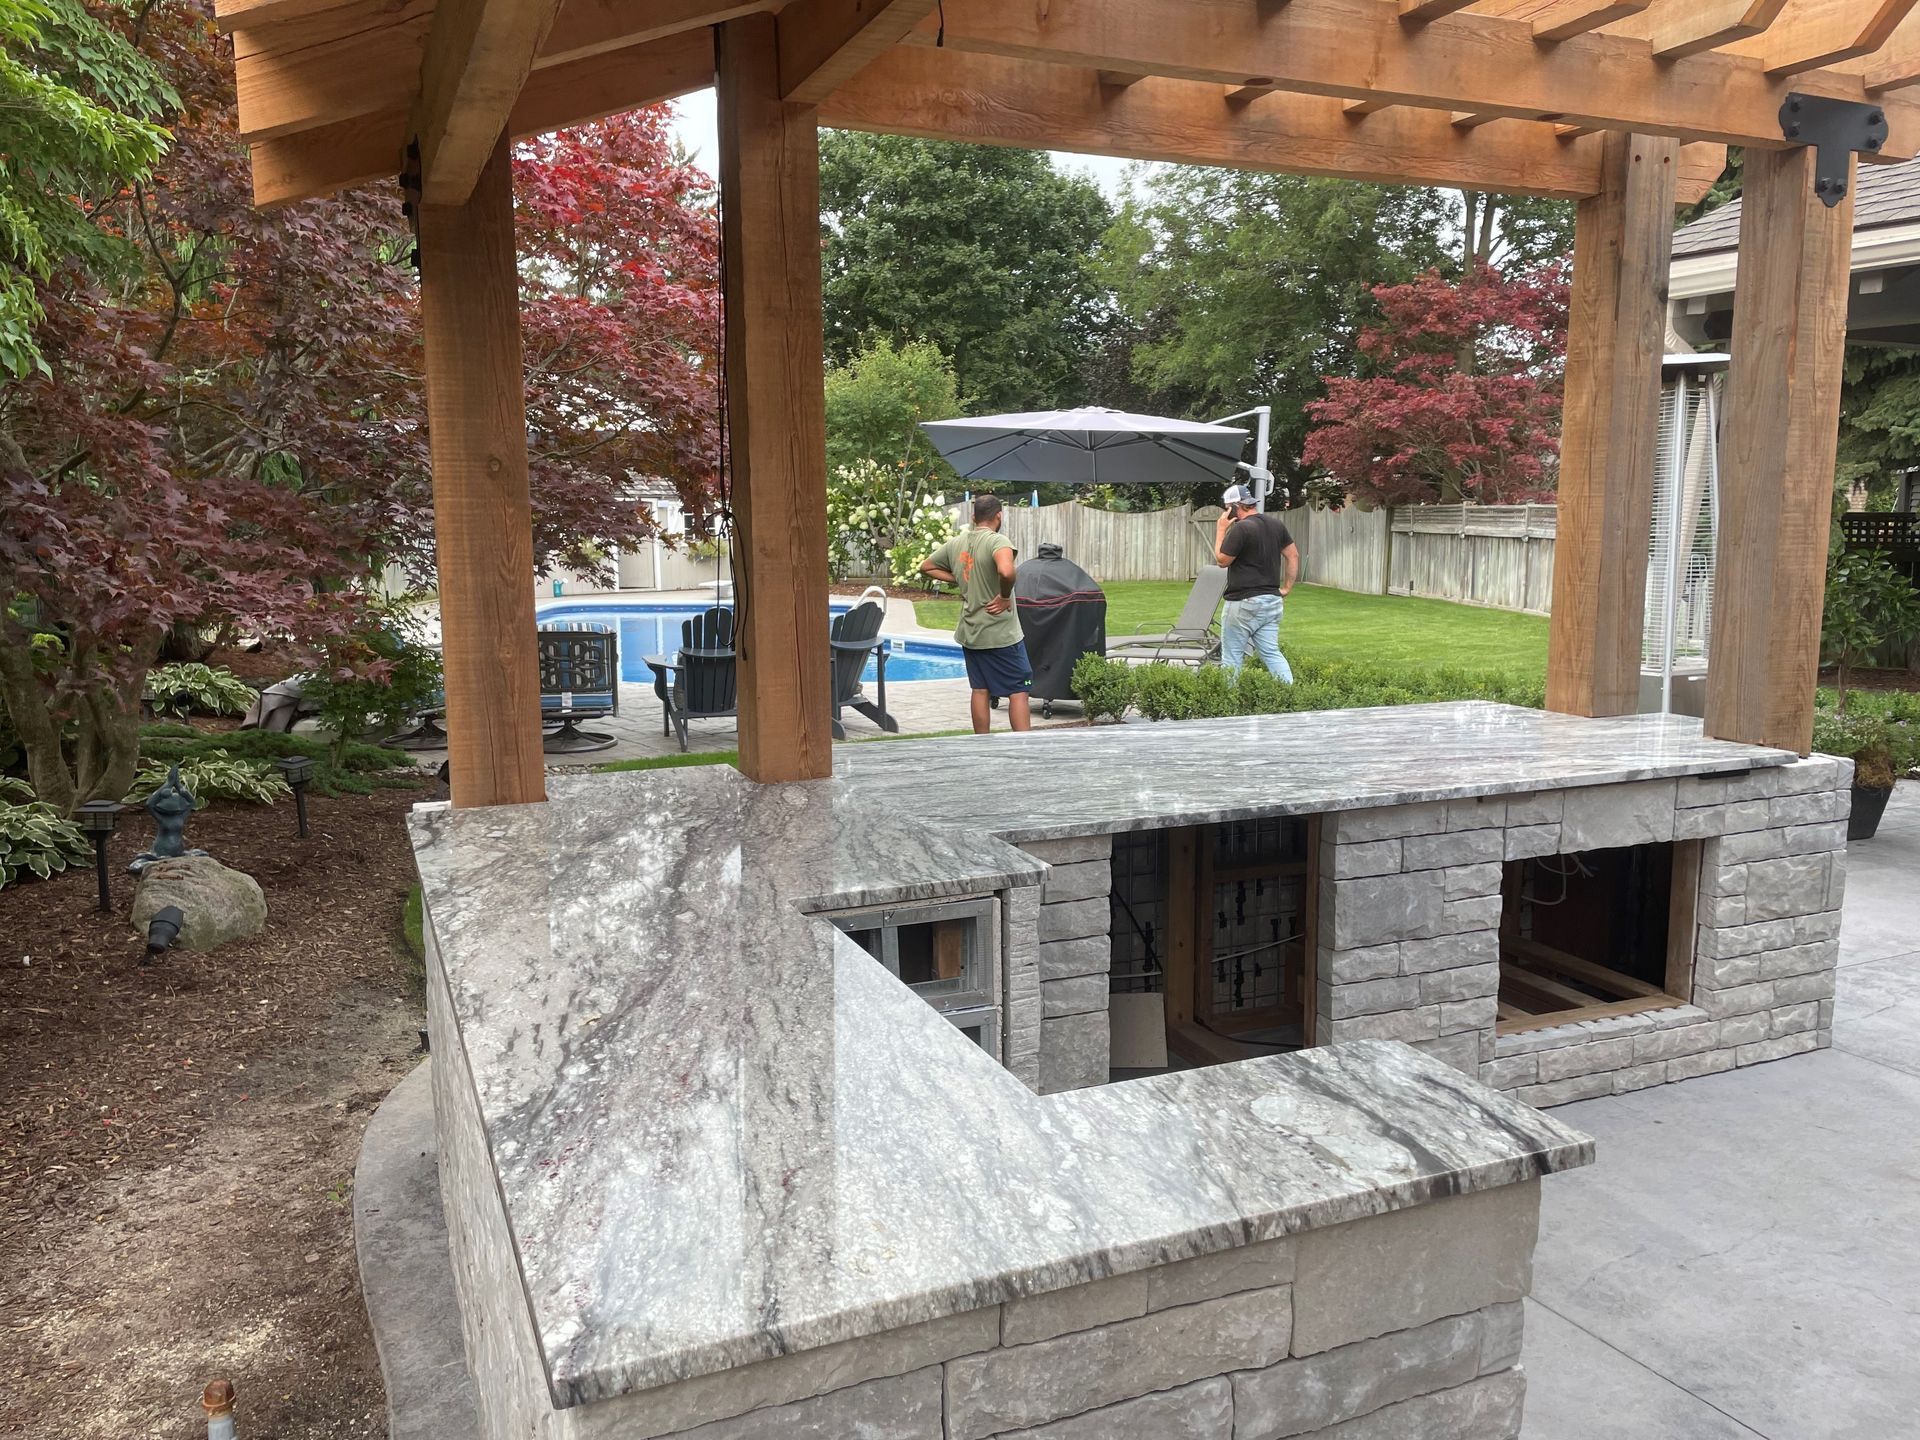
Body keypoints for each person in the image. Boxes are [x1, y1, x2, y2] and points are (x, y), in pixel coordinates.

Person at [921, 494, 1033, 733]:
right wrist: (1004, 597)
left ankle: (980, 744)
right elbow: (1007, 571)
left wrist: (962, 582)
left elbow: (926, 567)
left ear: (973, 517)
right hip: (1001, 633)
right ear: (998, 516)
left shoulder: (956, 543)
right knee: (1019, 690)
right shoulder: (998, 541)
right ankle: (1027, 748)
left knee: (980, 689)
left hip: (971, 632)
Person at [1213, 482, 1298, 682]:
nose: (1226, 513)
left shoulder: (1242, 528)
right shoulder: (1276, 525)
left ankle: (1228, 707)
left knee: (1232, 658)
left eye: (1228, 508)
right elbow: (1293, 556)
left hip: (1244, 603)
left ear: (1236, 506)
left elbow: (1222, 561)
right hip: (1272, 602)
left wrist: (1220, 530)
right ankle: (1290, 696)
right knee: (1271, 653)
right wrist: (1286, 588)